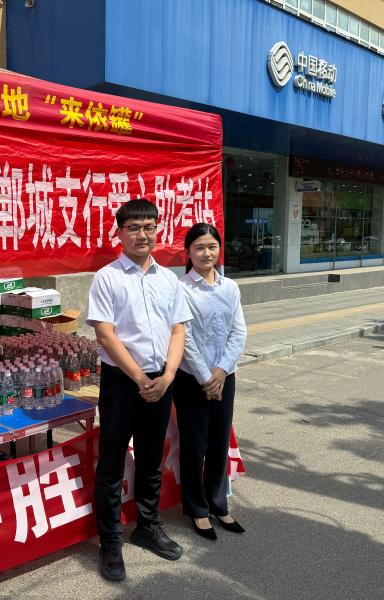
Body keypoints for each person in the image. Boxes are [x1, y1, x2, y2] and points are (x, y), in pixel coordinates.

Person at [87, 198, 193, 582]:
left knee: (150, 457)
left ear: (157, 230)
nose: (142, 234)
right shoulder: (107, 277)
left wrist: (167, 376)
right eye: (133, 227)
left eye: (149, 227)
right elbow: (105, 334)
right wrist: (139, 378)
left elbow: (178, 330)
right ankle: (110, 542)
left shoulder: (169, 280)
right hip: (122, 382)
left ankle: (147, 526)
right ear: (120, 232)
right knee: (112, 462)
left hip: (161, 381)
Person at [174, 222, 247, 540]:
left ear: (220, 250)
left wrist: (221, 371)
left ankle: (218, 504)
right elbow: (184, 337)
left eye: (212, 246)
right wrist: (206, 376)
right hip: (192, 379)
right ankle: (197, 509)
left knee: (219, 442)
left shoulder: (230, 287)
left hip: (224, 376)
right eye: (200, 247)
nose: (207, 253)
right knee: (194, 443)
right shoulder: (181, 289)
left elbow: (239, 331)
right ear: (188, 252)